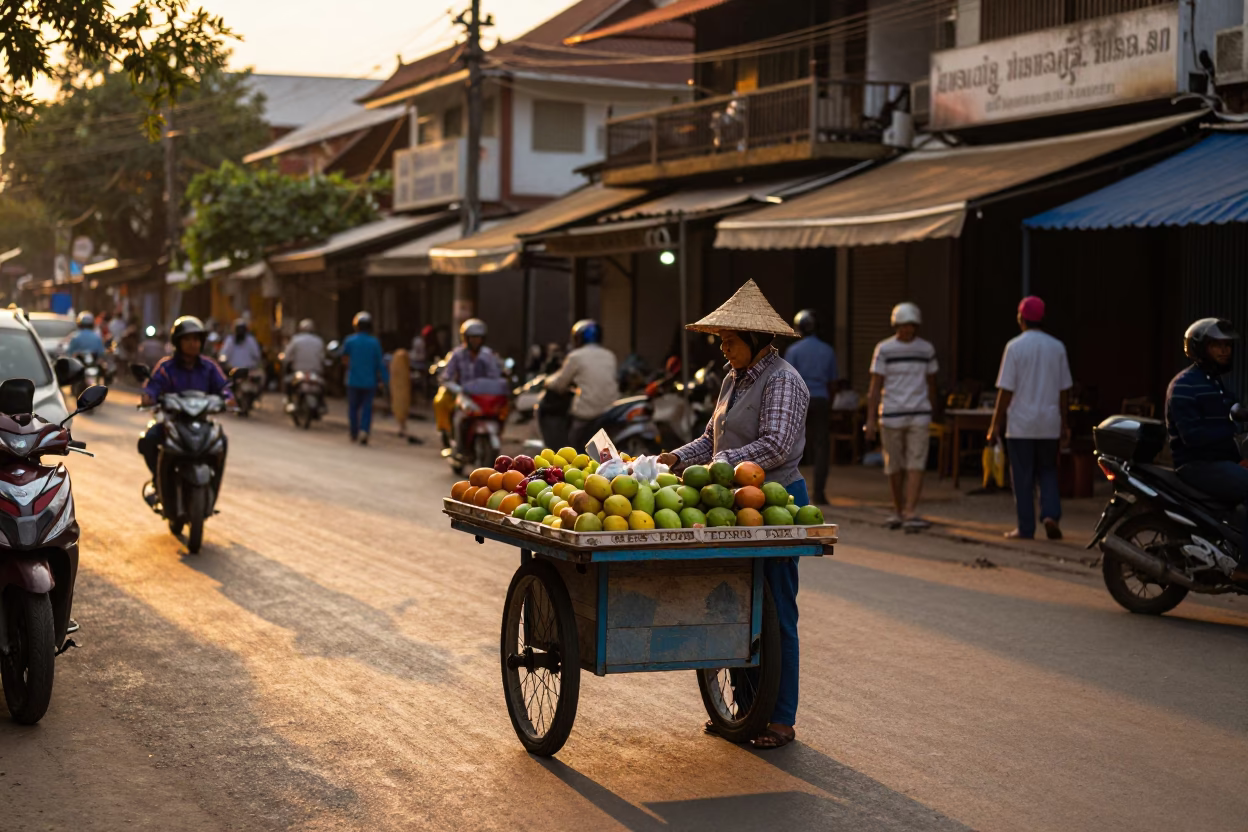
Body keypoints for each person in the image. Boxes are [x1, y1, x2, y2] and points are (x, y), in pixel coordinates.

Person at [656, 279, 809, 750]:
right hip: (729, 502)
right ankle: (744, 710)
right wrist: (675, 459)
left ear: (758, 341)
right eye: (721, 340)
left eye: (730, 340)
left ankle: (780, 719)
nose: (723, 349)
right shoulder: (730, 379)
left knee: (778, 611)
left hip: (774, 503)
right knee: (736, 605)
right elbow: (711, 439)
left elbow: (776, 444)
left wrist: (718, 466)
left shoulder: (782, 379)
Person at [1165, 318, 1248, 579]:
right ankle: (1244, 566)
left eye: (1228, 346)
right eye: (1217, 346)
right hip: (1197, 465)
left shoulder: (1216, 384)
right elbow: (1193, 437)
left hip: (1220, 462)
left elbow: (1235, 415)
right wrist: (1233, 432)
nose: (1225, 351)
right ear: (1199, 348)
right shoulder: (1185, 385)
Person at [988, 296, 1073, 540]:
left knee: (1022, 476)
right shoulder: (1057, 347)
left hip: (1021, 424)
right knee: (1048, 470)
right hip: (1048, 422)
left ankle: (1025, 528)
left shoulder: (1014, 347)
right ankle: (1050, 515)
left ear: (1020, 318)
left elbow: (1005, 390)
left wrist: (995, 424)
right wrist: (1064, 422)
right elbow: (1063, 390)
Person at [864, 303, 939, 530]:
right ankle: (898, 509)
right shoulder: (884, 349)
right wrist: (870, 420)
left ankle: (910, 510)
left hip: (919, 413)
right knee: (894, 464)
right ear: (896, 325)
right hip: (891, 414)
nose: (908, 330)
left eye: (911, 326)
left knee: (916, 462)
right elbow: (875, 387)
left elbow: (932, 383)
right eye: (904, 326)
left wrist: (934, 411)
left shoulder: (926, 349)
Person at [137, 316, 232, 493]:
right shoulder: (166, 367)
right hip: (172, 422)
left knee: (222, 442)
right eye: (187, 339)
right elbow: (153, 387)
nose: (192, 344)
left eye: (196, 339)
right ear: (177, 342)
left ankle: (213, 486)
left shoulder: (209, 367)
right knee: (148, 440)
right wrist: (148, 397)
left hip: (202, 423)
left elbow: (224, 388)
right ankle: (159, 480)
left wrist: (228, 399)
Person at [784, 309, 838, 505]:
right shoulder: (828, 350)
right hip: (821, 400)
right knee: (821, 446)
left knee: (791, 447)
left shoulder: (794, 351)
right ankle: (820, 493)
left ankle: (790, 492)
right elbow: (833, 383)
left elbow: (788, 380)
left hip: (799, 402)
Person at [546, 319, 620, 451]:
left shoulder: (576, 356)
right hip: (611, 409)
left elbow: (560, 384)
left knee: (574, 444)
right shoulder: (609, 355)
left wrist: (547, 381)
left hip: (588, 411)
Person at [341, 311, 387, 445]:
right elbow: (380, 363)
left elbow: (343, 358)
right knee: (367, 408)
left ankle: (354, 432)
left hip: (353, 381)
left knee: (353, 408)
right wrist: (385, 380)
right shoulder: (374, 343)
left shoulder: (350, 341)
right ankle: (364, 431)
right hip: (369, 382)